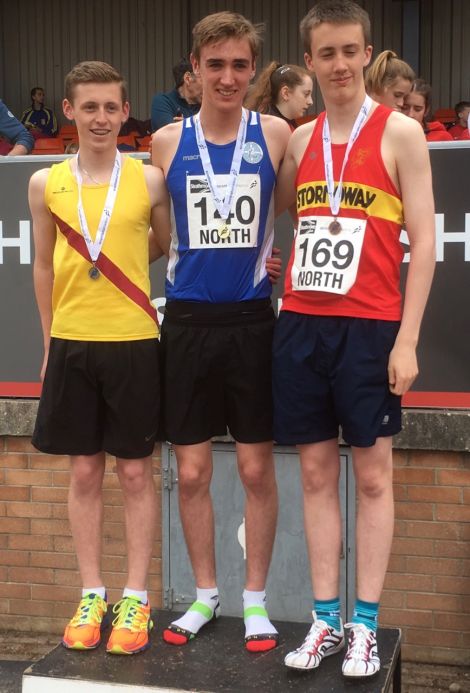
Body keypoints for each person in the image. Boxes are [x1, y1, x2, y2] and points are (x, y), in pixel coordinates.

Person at [274, 0, 435, 678]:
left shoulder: (400, 133)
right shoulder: (302, 140)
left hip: (371, 328)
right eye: (326, 53)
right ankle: (325, 619)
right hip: (303, 324)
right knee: (313, 474)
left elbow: (424, 243)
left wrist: (408, 340)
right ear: (308, 62)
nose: (340, 64)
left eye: (350, 50)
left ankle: (364, 623)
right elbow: (281, 214)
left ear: (366, 53)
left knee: (372, 477)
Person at [151, 11, 291, 652]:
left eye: (240, 65)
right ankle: (206, 595)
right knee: (194, 472)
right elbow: (154, 235)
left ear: (253, 70)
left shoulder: (278, 133)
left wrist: (282, 258)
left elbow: (293, 210)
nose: (228, 77)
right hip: (185, 322)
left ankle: (255, 601)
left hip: (250, 323)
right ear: (194, 71)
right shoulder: (164, 143)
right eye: (216, 65)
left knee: (260, 472)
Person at [29, 60, 170, 656]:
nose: (102, 118)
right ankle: (93, 593)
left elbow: (162, 243)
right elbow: (42, 265)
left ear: (125, 110)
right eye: (90, 107)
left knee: (136, 473)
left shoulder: (150, 180)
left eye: (112, 107)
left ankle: (135, 598)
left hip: (134, 340)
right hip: (73, 342)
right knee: (84, 472)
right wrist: (48, 342)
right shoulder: (44, 183)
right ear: (69, 111)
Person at [245, 61, 313, 130]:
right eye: (306, 94)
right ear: (285, 93)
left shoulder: (286, 122)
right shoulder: (271, 129)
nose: (311, 102)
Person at [150, 58, 202, 132]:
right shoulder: (163, 102)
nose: (209, 86)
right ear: (188, 78)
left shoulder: (209, 106)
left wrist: (184, 125)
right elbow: (168, 134)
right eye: (203, 79)